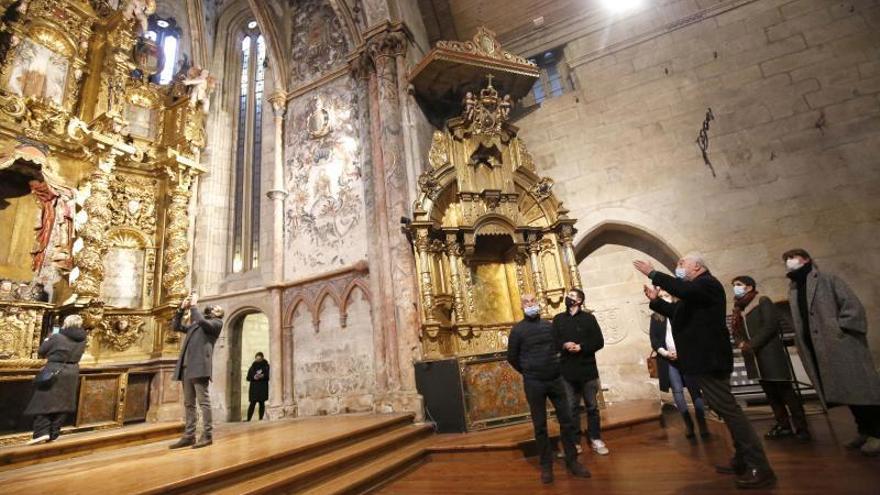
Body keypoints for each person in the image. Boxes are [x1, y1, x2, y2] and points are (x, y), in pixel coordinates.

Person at [634, 253, 776, 489]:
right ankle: (741, 459)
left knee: (729, 411)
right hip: (703, 360)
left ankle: (760, 466)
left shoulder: (707, 284)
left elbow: (684, 291)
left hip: (710, 359)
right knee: (723, 408)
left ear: (697, 267)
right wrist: (656, 301)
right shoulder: (695, 291)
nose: (679, 267)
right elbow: (678, 314)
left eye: (682, 264)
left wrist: (653, 273)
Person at [783, 248, 880, 456]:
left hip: (841, 345)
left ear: (806, 259)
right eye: (785, 259)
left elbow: (852, 307)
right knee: (849, 392)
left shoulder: (827, 279)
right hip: (819, 348)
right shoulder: (793, 288)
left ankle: (877, 433)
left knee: (861, 390)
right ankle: (864, 430)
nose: (788, 261)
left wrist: (840, 330)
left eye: (792, 257)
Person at [507, 294, 591, 484]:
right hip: (534, 382)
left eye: (533, 301)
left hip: (555, 380)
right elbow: (512, 357)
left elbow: (558, 348)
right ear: (521, 306)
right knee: (540, 426)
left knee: (567, 421)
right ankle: (546, 466)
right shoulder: (518, 330)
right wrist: (528, 370)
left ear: (538, 304)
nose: (530, 304)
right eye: (526, 302)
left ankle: (572, 461)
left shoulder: (548, 326)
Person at [730, 275, 809, 441]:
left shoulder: (762, 301)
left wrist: (751, 344)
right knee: (771, 393)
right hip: (754, 357)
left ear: (749, 287)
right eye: (734, 285)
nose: (735, 288)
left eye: (738, 284)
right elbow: (736, 332)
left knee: (785, 392)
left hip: (770, 352)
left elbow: (770, 325)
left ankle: (802, 427)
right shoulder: (738, 308)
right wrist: (740, 343)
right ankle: (783, 425)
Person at [552, 288, 608, 455]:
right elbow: (554, 341)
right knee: (571, 408)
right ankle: (574, 442)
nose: (568, 297)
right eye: (568, 295)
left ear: (579, 301)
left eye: (572, 296)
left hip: (587, 369)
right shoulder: (558, 319)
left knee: (592, 407)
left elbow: (599, 341)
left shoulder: (589, 319)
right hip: (567, 371)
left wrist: (581, 347)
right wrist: (564, 345)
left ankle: (595, 438)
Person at [649, 290, 709, 439]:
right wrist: (665, 353)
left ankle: (702, 425)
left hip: (687, 357)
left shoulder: (682, 312)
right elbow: (654, 339)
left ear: (673, 297)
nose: (664, 299)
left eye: (666, 296)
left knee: (694, 390)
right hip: (669, 358)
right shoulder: (656, 317)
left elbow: (693, 334)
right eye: (661, 297)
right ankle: (689, 425)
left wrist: (683, 351)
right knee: (677, 391)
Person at [168, 293, 224, 449]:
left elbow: (199, 319)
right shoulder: (197, 324)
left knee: (203, 402)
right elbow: (176, 327)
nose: (213, 307)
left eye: (217, 308)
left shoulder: (216, 324)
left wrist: (193, 305)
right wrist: (181, 309)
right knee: (189, 403)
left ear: (219, 314)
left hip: (199, 367)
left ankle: (207, 435)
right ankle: (189, 435)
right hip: (186, 367)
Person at [24, 314, 87, 444]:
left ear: (66, 323)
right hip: (72, 372)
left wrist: (48, 338)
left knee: (43, 401)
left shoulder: (57, 336)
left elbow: (42, 350)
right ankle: (53, 433)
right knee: (64, 403)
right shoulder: (82, 340)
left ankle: (41, 433)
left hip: (55, 370)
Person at [246, 352, 270, 421]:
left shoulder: (266, 366)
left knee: (261, 403)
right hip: (254, 388)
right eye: (257, 359)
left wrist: (262, 376)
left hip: (262, 387)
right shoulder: (252, 367)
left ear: (262, 358)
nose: (258, 360)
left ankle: (260, 418)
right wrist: (254, 377)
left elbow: (268, 376)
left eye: (259, 359)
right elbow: (248, 378)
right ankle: (248, 419)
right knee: (252, 403)